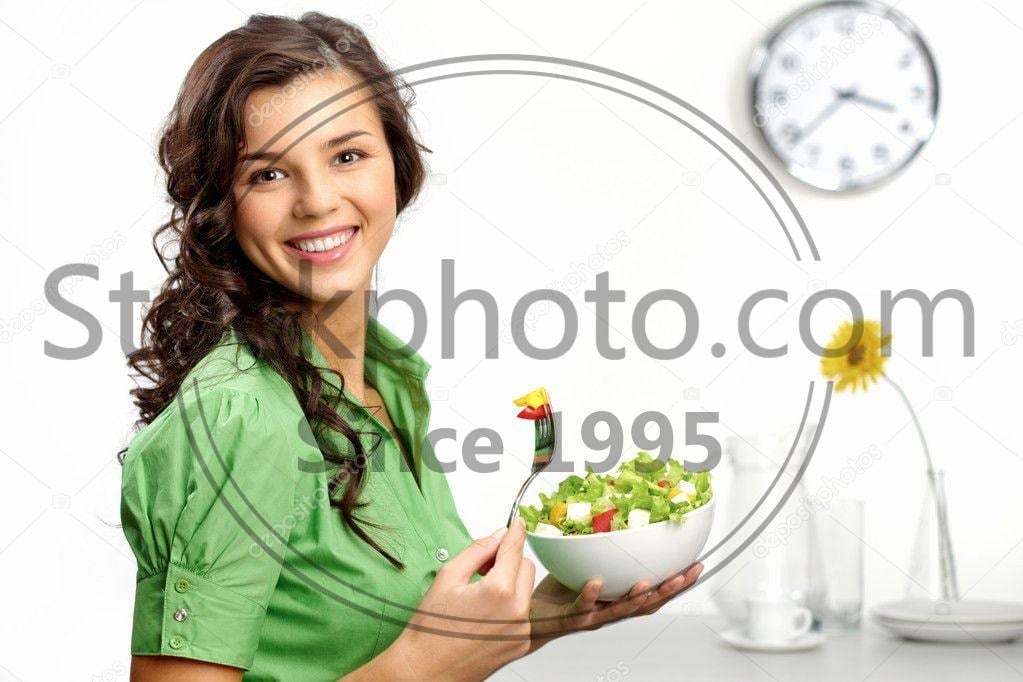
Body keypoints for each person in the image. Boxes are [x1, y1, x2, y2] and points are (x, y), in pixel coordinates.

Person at [118, 11, 702, 681]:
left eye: (346, 155)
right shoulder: (239, 416)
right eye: (268, 175)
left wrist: (540, 617)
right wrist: (421, 666)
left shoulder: (388, 378)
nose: (316, 200)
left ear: (397, 167)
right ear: (220, 202)